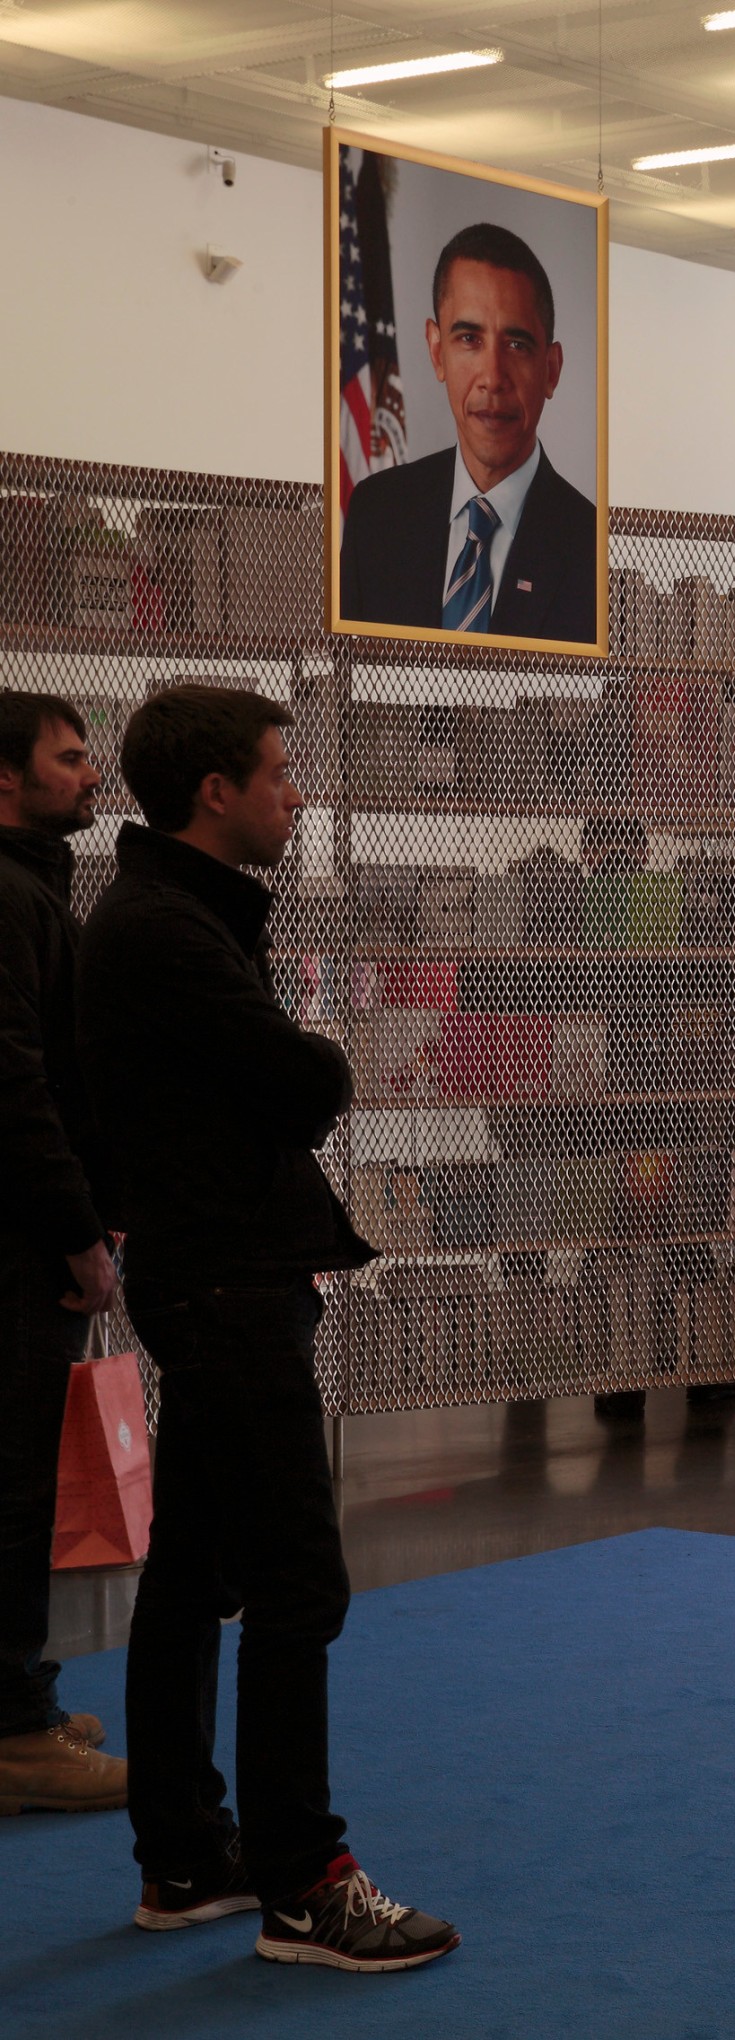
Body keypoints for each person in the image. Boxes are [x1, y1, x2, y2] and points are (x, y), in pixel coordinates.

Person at [80, 684, 457, 1969]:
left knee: (196, 1571)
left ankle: (186, 1854)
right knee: (299, 1581)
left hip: (222, 1271)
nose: (295, 792)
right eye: (279, 773)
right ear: (214, 793)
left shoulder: (178, 917)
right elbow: (305, 1084)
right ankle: (307, 1882)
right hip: (227, 1282)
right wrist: (320, 1059)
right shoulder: (165, 934)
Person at [0, 691, 130, 1816]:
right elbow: (18, 1087)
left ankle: (21, 1696)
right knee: (9, 1484)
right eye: (70, 758)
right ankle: (14, 1734)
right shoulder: (10, 897)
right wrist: (78, 1229)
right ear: (7, 780)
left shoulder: (32, 886)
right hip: (15, 1247)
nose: (92, 776)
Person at [338, 222, 599, 644]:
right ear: (437, 351)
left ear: (551, 370)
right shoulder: (375, 517)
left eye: (516, 345)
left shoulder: (594, 549)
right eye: (469, 338)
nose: (492, 378)